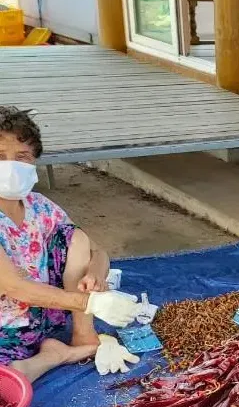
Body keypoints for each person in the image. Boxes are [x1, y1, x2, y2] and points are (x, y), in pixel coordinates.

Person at [0, 107, 142, 381]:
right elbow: (13, 287)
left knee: (74, 236)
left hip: (45, 319)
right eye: (0, 157)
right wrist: (91, 303)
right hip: (5, 332)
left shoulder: (39, 206)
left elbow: (96, 250)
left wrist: (95, 275)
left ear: (34, 162)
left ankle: (82, 335)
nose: (10, 166)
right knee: (7, 386)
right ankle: (57, 356)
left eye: (22, 157)